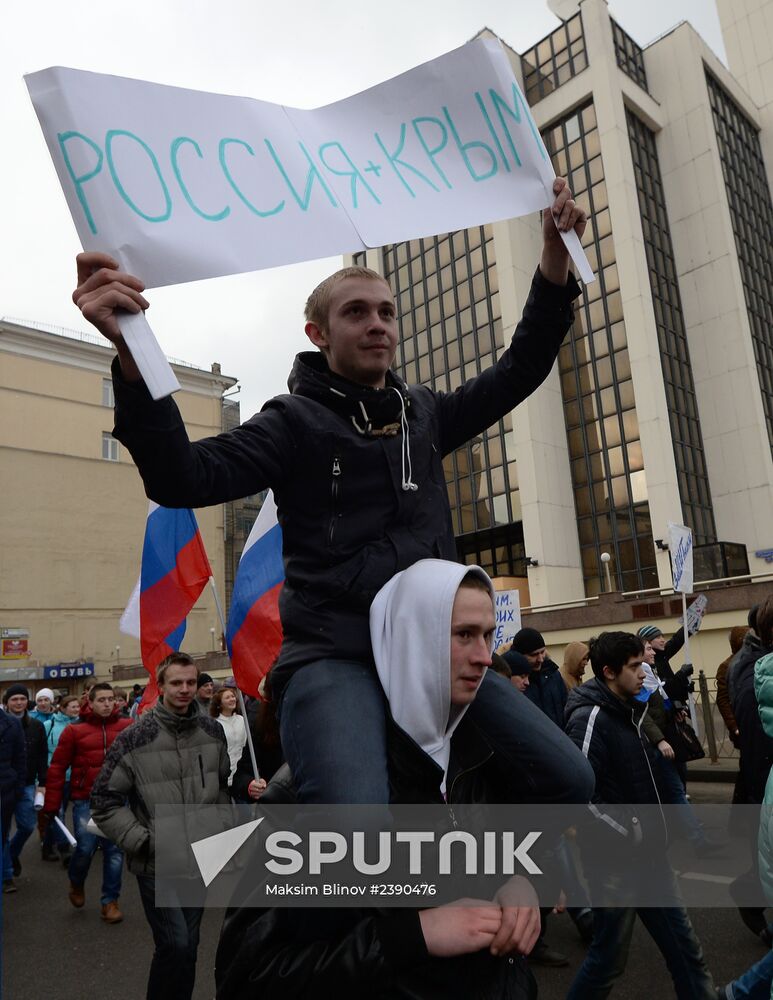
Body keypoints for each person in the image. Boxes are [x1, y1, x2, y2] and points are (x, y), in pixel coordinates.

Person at [73, 178, 593, 810]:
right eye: (356, 313)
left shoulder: (425, 415)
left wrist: (555, 259)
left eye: (385, 312)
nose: (377, 325)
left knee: (572, 778)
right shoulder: (291, 424)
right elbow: (183, 477)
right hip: (333, 655)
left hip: (432, 652)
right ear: (317, 333)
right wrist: (131, 347)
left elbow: (522, 367)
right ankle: (302, 802)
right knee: (358, 821)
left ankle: (466, 865)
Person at [216, 561, 546, 999]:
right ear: (412, 640)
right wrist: (410, 937)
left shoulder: (481, 752)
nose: (485, 655)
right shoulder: (318, 787)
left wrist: (520, 880)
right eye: (464, 634)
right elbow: (249, 974)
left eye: (488, 635)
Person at [564, 631, 715, 999]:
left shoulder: (632, 711)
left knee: (687, 952)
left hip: (652, 858)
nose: (644, 672)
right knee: (607, 962)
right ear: (609, 672)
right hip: (614, 865)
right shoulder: (590, 718)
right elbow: (579, 795)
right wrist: (630, 828)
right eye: (635, 667)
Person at [91, 653, 230, 1000]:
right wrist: (144, 841)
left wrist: (223, 827)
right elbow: (104, 802)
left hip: (200, 859)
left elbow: (223, 786)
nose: (185, 689)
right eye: (176, 683)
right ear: (161, 685)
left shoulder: (213, 731)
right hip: (157, 862)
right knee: (176, 944)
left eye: (191, 682)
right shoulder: (135, 736)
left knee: (189, 946)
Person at [42, 683, 131, 922]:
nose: (107, 704)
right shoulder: (74, 731)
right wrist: (52, 804)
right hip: (85, 800)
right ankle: (76, 882)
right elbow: (58, 767)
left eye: (110, 699)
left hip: (117, 800)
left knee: (114, 851)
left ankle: (109, 902)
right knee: (85, 848)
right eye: (101, 699)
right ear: (89, 703)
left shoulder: (127, 727)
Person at [1, 684, 47, 890]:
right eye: (14, 699)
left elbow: (41, 757)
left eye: (22, 699)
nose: (18, 702)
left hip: (26, 784)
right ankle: (7, 874)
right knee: (2, 832)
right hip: (5, 785)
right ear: (7, 703)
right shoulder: (6, 724)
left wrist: (42, 784)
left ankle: (10, 855)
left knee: (28, 826)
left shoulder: (36, 726)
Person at [40, 693, 80, 863]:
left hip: (75, 777)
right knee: (58, 812)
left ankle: (47, 847)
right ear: (63, 708)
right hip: (55, 776)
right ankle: (64, 850)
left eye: (78, 706)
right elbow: (40, 753)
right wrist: (39, 779)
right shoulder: (49, 725)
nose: (77, 709)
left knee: (55, 814)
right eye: (73, 707)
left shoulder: (80, 725)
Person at [511, 628, 567, 730]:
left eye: (542, 652)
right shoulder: (512, 681)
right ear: (519, 655)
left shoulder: (553, 674)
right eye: (534, 655)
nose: (540, 659)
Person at [0, 705, 25, 894]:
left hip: (5, 791)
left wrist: (17, 789)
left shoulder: (12, 724)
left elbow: (20, 759)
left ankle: (5, 875)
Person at [210, 687, 247, 787]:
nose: (232, 699)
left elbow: (244, 745)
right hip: (223, 775)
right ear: (219, 704)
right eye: (227, 698)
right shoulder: (215, 723)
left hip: (241, 774)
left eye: (233, 696)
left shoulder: (242, 720)